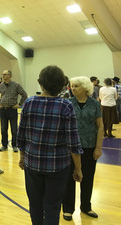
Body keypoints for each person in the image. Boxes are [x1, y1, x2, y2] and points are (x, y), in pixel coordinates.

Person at [17, 65, 83, 225]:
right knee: (52, 207)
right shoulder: (66, 105)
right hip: (58, 167)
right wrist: (78, 168)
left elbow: (21, 135)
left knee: (35, 205)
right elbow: (73, 141)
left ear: (41, 84)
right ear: (62, 86)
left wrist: (22, 157)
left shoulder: (29, 102)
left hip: (32, 164)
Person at [62, 76, 104, 221]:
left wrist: (98, 148)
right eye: (72, 86)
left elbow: (100, 127)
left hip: (89, 146)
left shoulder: (94, 104)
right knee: (68, 178)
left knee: (88, 177)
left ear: (85, 88)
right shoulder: (68, 103)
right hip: (70, 148)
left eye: (76, 86)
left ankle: (86, 206)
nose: (73, 89)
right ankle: (67, 208)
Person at [0, 70, 28, 153]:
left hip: (12, 110)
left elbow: (24, 94)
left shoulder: (16, 85)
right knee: (3, 129)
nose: (3, 76)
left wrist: (19, 104)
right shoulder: (1, 86)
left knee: (14, 129)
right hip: (3, 110)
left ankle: (15, 145)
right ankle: (4, 145)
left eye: (5, 74)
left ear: (9, 75)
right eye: (2, 74)